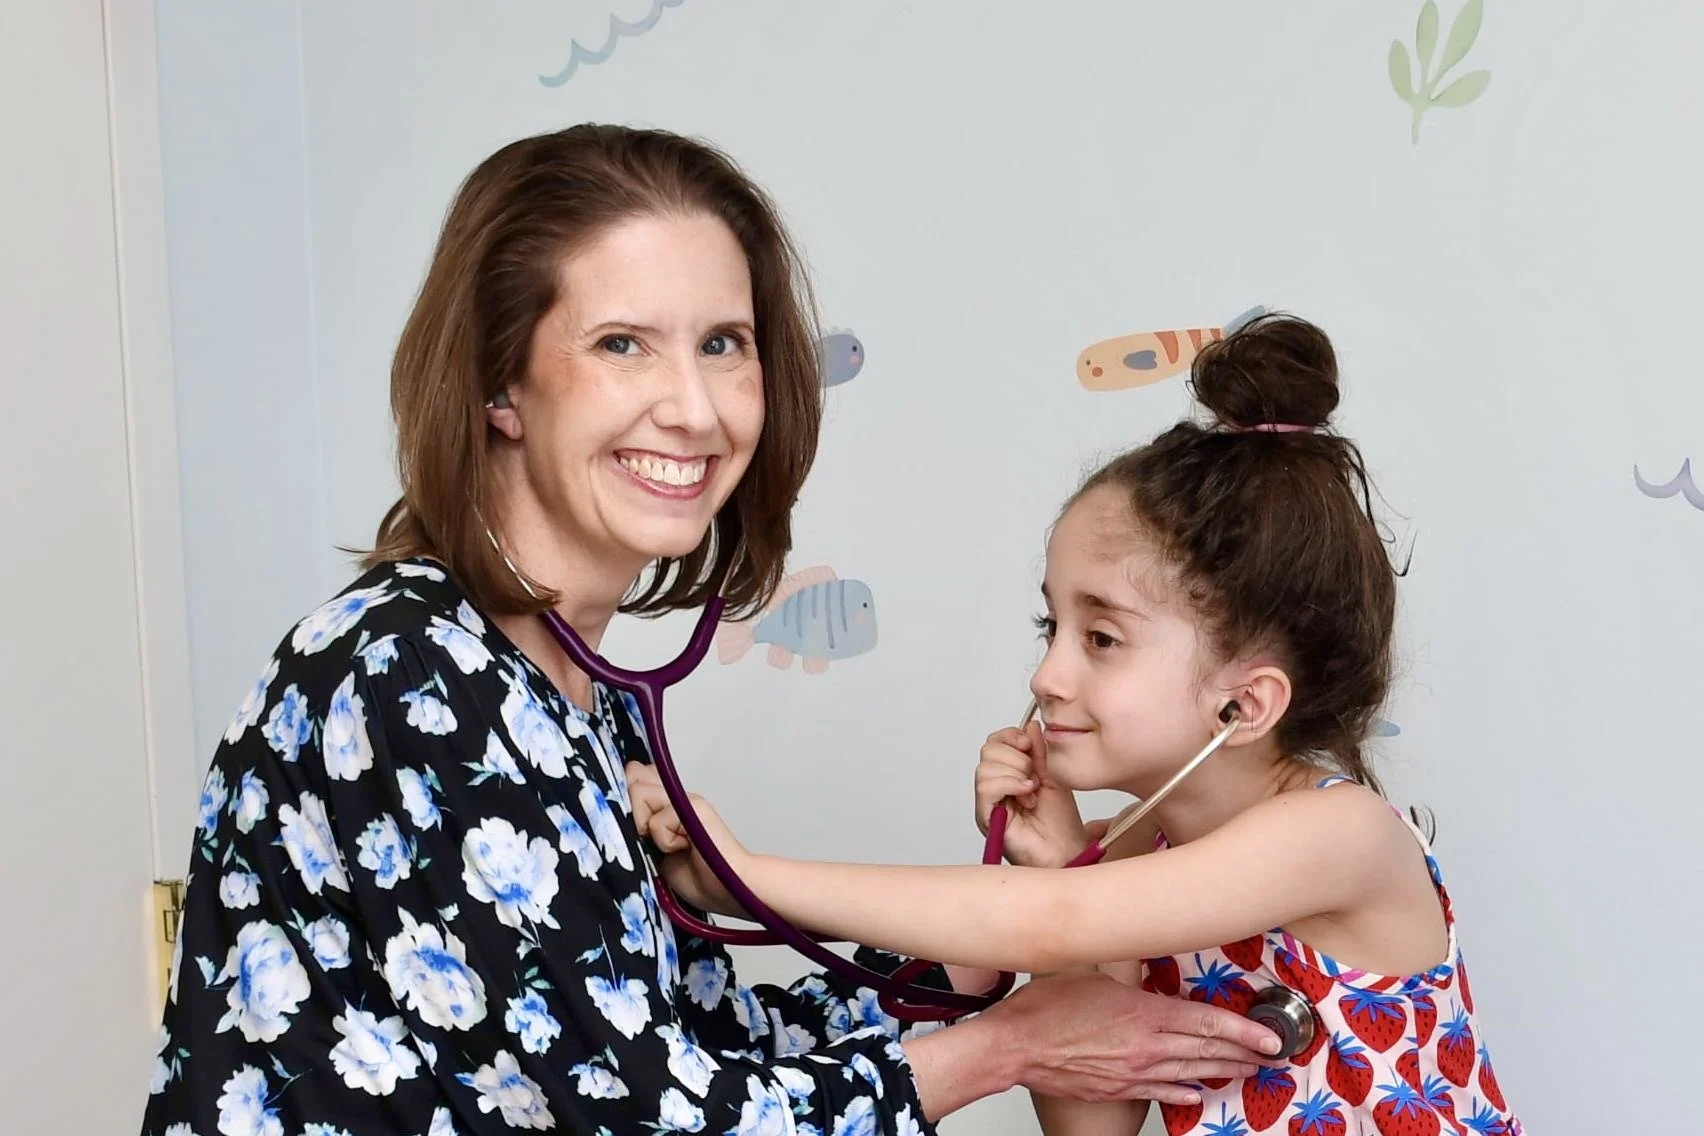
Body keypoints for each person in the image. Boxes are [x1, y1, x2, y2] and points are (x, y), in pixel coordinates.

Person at [140, 124, 1286, 1136]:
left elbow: (698, 1040)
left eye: (724, 343)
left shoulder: (571, 694)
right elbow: (649, 1116)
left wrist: (969, 966)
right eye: (622, 343)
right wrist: (1009, 1046)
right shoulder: (406, 676)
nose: (694, 408)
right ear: (500, 385)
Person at [633, 314, 1523, 1135]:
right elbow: (1090, 1126)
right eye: (1049, 627)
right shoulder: (1132, 854)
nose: (1046, 676)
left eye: (1101, 638)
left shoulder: (1340, 836)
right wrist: (1056, 862)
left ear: (1245, 705)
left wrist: (746, 874)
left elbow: (1048, 922)